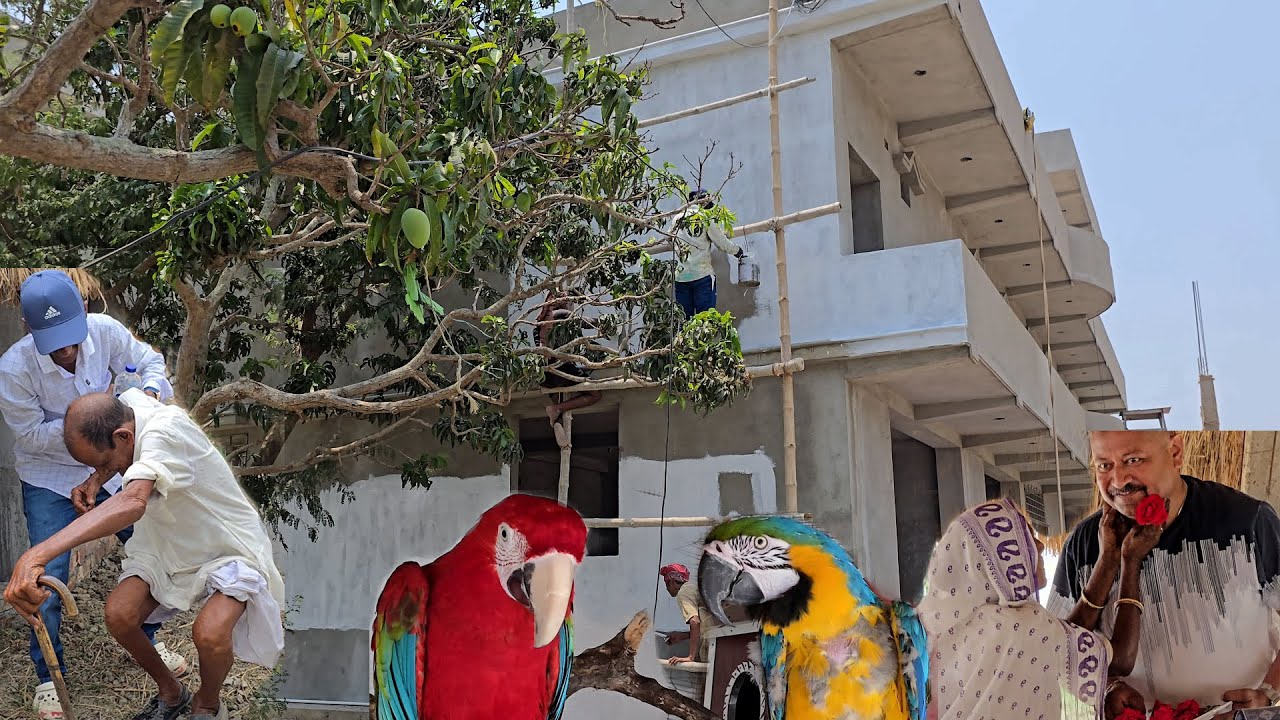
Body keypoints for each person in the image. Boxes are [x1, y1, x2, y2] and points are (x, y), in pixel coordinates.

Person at [3, 390, 286, 720]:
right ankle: (171, 692)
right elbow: (126, 439)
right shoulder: (129, 409)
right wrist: (99, 476)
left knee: (209, 633)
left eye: (104, 463)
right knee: (119, 614)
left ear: (123, 436)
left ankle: (207, 704)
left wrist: (35, 555)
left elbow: (133, 502)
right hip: (168, 541)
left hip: (225, 545)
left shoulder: (165, 431)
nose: (107, 471)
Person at [0, 269, 187, 719]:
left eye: (70, 338)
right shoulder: (13, 369)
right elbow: (27, 435)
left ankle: (149, 640)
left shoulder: (106, 332)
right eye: (53, 343)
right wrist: (90, 423)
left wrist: (140, 397)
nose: (65, 352)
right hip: (48, 477)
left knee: (150, 551)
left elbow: (152, 366)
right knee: (45, 574)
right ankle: (48, 678)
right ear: (28, 330)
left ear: (84, 311)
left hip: (114, 470)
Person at [1048, 431, 1280, 716]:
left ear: (1175, 452)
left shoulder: (1247, 520)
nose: (1119, 481)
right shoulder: (1083, 544)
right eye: (1104, 465)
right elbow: (1057, 652)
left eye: (1133, 460)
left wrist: (1267, 695)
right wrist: (1107, 686)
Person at [919, 497, 1155, 720]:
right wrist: (1130, 561)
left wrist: (1107, 560)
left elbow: (1058, 637)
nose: (1041, 546)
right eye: (1027, 537)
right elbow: (1120, 659)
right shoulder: (1022, 624)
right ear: (1001, 559)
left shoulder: (943, 632)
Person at [665, 188, 745, 319]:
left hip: (681, 277)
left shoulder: (677, 218)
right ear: (704, 203)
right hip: (702, 276)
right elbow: (721, 242)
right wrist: (738, 251)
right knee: (705, 320)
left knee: (684, 321)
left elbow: (669, 237)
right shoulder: (705, 218)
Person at [536, 292, 600, 447]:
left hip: (544, 375)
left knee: (556, 391)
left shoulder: (537, 324)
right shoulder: (561, 314)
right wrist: (608, 323)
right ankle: (557, 409)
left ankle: (556, 420)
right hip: (562, 370)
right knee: (595, 394)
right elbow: (586, 322)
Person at [659, 562, 712, 666]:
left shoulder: (683, 592)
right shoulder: (695, 588)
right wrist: (683, 636)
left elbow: (695, 621)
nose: (666, 588)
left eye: (667, 584)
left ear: (672, 582)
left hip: (713, 645)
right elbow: (706, 624)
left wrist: (690, 657)